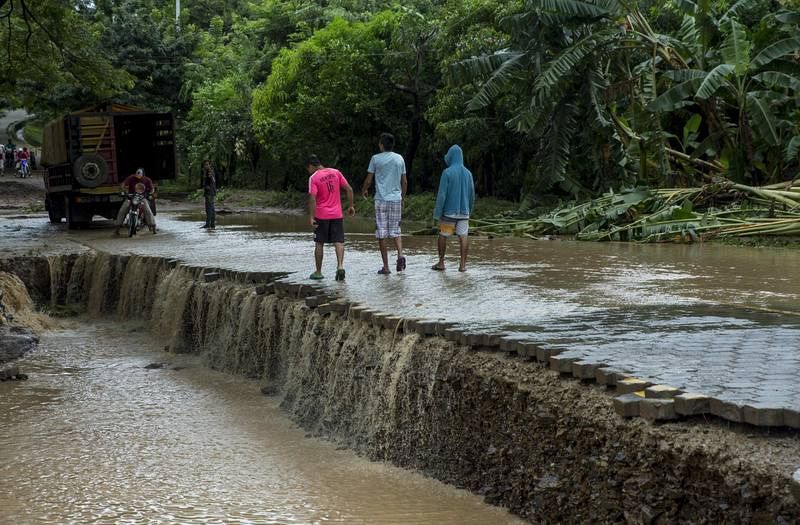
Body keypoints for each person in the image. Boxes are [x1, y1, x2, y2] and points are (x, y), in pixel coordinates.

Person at [362, 132, 407, 275]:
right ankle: (400, 255)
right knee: (396, 230)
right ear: (392, 145)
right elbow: (404, 181)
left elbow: (369, 180)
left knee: (382, 233)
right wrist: (403, 198)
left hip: (381, 200)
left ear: (381, 145)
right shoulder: (399, 158)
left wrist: (364, 190)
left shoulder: (375, 159)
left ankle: (386, 267)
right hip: (396, 199)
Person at [307, 154, 355, 281]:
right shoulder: (336, 172)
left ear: (311, 166)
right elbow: (349, 189)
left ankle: (318, 272)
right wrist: (351, 206)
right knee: (338, 241)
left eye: (308, 168)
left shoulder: (313, 178)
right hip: (337, 214)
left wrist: (312, 217)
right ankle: (340, 266)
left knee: (319, 243)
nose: (308, 171)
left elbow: (312, 199)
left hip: (321, 215)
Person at [431, 144, 475, 272]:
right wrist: (469, 211)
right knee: (463, 236)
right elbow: (472, 195)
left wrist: (437, 215)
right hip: (464, 213)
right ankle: (462, 265)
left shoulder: (447, 173)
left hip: (448, 214)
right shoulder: (468, 174)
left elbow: (442, 196)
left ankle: (441, 262)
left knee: (443, 235)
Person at [114, 168, 156, 235]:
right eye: (137, 173)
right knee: (122, 210)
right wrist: (123, 189)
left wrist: (150, 193)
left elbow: (152, 189)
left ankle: (153, 226)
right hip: (131, 197)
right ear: (135, 173)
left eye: (140, 173)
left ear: (143, 174)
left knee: (148, 210)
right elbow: (124, 184)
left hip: (142, 198)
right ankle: (117, 228)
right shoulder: (131, 178)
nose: (138, 174)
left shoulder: (147, 180)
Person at [200, 160, 216, 229]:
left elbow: (213, 180)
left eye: (207, 164)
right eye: (205, 165)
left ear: (209, 165)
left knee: (209, 209)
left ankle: (208, 224)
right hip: (210, 192)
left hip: (209, 192)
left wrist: (208, 187)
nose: (206, 166)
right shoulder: (208, 171)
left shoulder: (209, 172)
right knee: (211, 208)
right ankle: (212, 224)